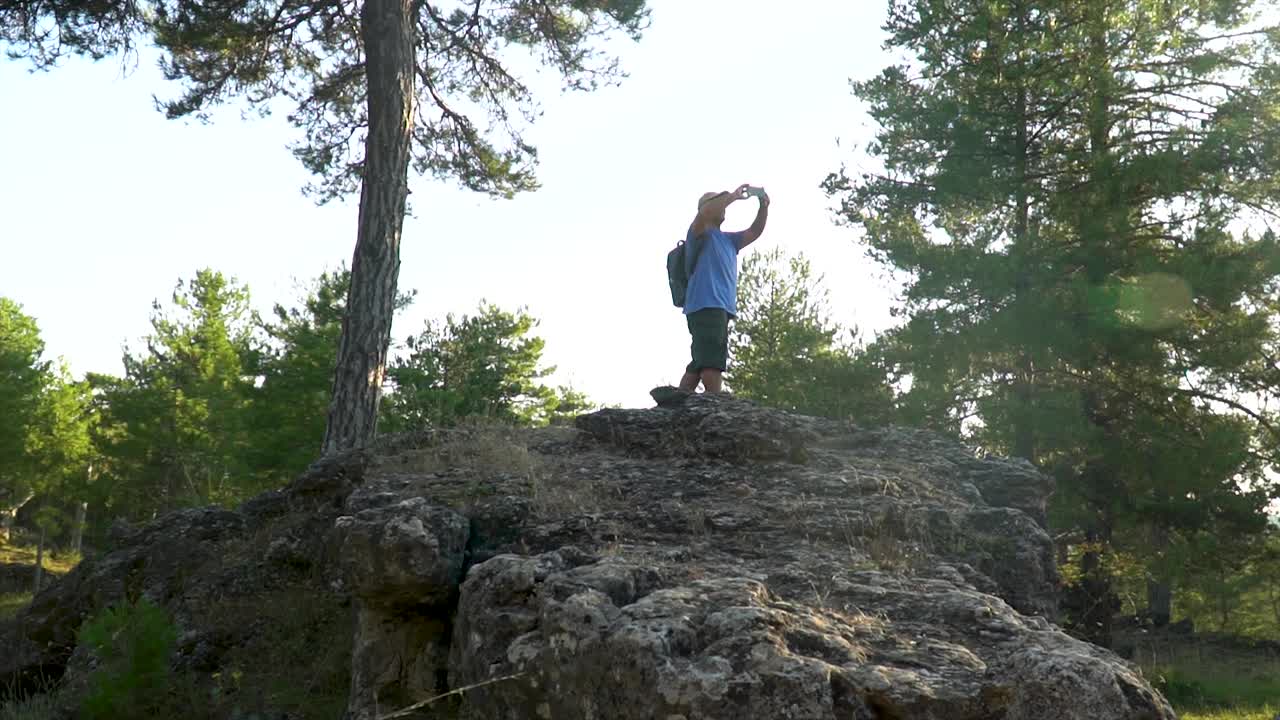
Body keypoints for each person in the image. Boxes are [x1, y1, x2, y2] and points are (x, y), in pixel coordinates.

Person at [676, 183, 770, 394]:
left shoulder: (729, 240)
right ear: (706, 208)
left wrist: (763, 207)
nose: (723, 206)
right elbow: (709, 211)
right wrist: (734, 196)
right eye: (717, 202)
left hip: (718, 307)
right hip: (706, 303)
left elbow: (755, 231)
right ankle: (714, 402)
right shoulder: (698, 232)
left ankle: (678, 401)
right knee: (712, 359)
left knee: (700, 358)